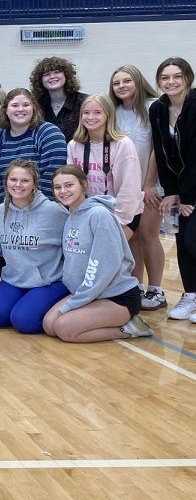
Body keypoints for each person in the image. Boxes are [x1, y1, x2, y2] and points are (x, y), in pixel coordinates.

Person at [43, 165, 153, 341]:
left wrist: (75, 302)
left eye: (69, 185)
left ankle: (131, 328)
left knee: (64, 329)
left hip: (117, 296)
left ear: (83, 185)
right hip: (90, 293)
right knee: (49, 325)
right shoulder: (71, 215)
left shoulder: (99, 215)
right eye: (58, 187)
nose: (63, 191)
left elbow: (103, 268)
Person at [0, 160, 69, 333]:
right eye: (13, 180)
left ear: (34, 184)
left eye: (25, 181)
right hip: (14, 280)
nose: (18, 185)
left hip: (48, 281)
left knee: (24, 321)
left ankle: (61, 302)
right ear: (6, 182)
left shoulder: (54, 212)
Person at [110, 65, 166, 310]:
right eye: (116, 83)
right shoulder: (114, 112)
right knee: (131, 238)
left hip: (151, 184)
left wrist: (148, 183)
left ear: (137, 82)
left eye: (126, 81)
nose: (121, 86)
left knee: (148, 234)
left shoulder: (154, 107)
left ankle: (156, 290)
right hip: (125, 188)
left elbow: (157, 148)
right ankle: (136, 286)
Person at [150, 57, 196, 321]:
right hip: (178, 189)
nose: (171, 82)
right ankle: (190, 295)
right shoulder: (158, 109)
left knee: (193, 240)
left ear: (187, 77)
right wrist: (170, 191)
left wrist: (187, 196)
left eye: (177, 76)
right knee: (179, 237)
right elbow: (161, 150)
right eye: (165, 77)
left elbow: (195, 155)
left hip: (192, 188)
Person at [67, 94, 143, 239]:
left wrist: (116, 222)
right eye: (86, 113)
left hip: (121, 214)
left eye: (97, 112)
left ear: (108, 115)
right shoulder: (74, 145)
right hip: (87, 212)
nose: (90, 117)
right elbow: (71, 184)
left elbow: (129, 189)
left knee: (106, 256)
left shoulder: (123, 144)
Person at [0, 88, 66, 205]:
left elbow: (52, 175)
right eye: (14, 105)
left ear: (33, 108)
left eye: (26, 105)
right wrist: (9, 205)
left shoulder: (49, 133)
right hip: (7, 206)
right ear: (6, 111)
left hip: (44, 205)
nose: (20, 109)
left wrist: (31, 206)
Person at [29, 56, 87, 141]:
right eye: (46, 74)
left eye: (57, 72)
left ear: (66, 75)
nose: (52, 76)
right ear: (40, 80)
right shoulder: (36, 105)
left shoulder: (84, 102)